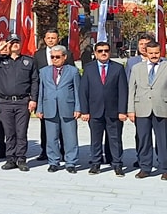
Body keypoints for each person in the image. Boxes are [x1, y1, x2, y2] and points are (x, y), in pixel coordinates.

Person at [0, 34, 38, 171]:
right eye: (12, 42)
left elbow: (34, 81)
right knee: (9, 132)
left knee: (21, 132)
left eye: (17, 42)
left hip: (22, 102)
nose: (15, 44)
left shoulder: (28, 61)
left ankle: (21, 159)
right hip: (5, 102)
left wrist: (33, 99)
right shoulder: (0, 61)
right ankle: (10, 159)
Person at [79, 40, 127, 176]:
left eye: (106, 50)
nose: (103, 53)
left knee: (115, 139)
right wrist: (85, 111)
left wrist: (122, 111)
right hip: (94, 111)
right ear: (95, 53)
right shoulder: (89, 68)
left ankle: (117, 164)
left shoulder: (118, 68)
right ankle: (95, 163)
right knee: (95, 139)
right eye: (100, 51)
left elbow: (123, 91)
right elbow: (83, 91)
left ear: (109, 52)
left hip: (114, 111)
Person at [36, 45, 81, 173]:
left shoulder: (73, 71)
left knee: (70, 137)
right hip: (49, 107)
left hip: (68, 107)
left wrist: (78, 108)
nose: (54, 59)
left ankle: (70, 162)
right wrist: (39, 108)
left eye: (57, 57)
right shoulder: (44, 71)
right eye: (52, 57)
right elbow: (41, 91)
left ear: (64, 57)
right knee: (51, 138)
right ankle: (53, 161)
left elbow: (77, 91)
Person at [127, 41, 167, 179]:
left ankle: (165, 168)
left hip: (162, 108)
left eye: (156, 53)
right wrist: (130, 110)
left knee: (163, 140)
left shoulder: (166, 66)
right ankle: (145, 167)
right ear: (146, 53)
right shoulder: (137, 68)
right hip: (141, 108)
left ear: (161, 52)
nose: (154, 55)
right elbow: (131, 89)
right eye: (151, 53)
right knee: (143, 139)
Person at [33, 29, 62, 160]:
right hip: (45, 95)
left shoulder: (65, 53)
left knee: (62, 124)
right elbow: (35, 77)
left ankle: (64, 150)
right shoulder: (38, 55)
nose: (51, 40)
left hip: (62, 95)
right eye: (48, 37)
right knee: (45, 125)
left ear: (58, 39)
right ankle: (45, 150)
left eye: (53, 38)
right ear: (44, 39)